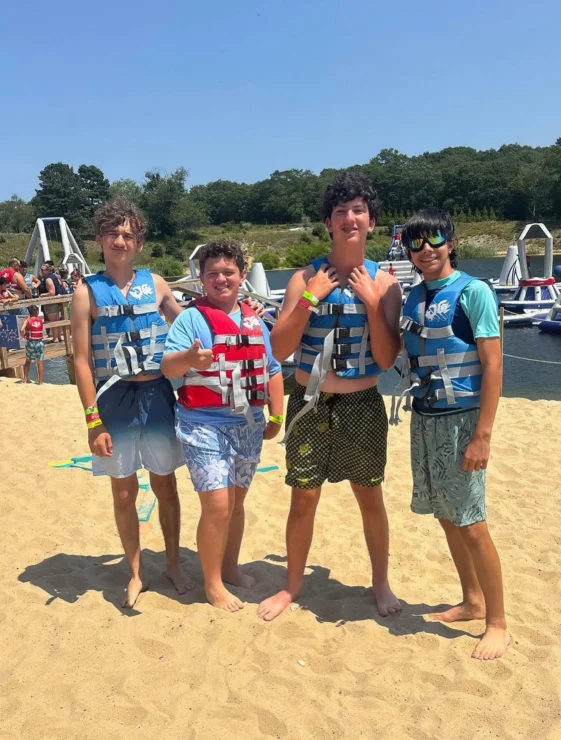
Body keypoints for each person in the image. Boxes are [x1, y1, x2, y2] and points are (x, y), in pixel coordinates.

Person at [257, 172, 403, 622]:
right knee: (303, 496)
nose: (349, 219)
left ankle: (380, 582)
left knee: (369, 494)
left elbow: (384, 355)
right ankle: (292, 585)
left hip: (362, 403)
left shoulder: (386, 283)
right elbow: (279, 349)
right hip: (309, 401)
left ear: (372, 222)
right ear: (328, 222)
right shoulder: (306, 277)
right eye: (340, 212)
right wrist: (310, 299)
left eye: (358, 210)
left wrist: (373, 303)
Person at [396, 207, 510, 660]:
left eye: (435, 239)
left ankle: (497, 621)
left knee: (473, 521)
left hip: (463, 419)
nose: (426, 251)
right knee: (446, 514)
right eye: (416, 243)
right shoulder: (412, 297)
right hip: (425, 417)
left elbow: (494, 365)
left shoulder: (474, 292)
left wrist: (483, 434)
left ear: (452, 241)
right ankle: (472, 600)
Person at [72, 196, 191, 609]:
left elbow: (189, 325)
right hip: (114, 399)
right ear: (100, 239)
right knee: (124, 492)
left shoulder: (156, 284)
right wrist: (93, 422)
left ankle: (173, 564)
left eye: (128, 233)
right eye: (113, 233)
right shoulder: (86, 292)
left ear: (139, 242)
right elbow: (83, 362)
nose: (120, 240)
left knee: (165, 484)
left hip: (158, 395)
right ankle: (137, 571)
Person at [162, 239, 285, 612]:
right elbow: (168, 367)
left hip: (248, 422)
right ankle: (212, 583)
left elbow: (274, 370)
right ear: (200, 279)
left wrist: (276, 416)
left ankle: (229, 567)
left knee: (235, 502)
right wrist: (189, 358)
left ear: (242, 276)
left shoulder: (255, 319)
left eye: (228, 272)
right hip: (202, 423)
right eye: (212, 273)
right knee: (217, 504)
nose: (220, 279)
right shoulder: (190, 319)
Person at [38, 263, 65, 342]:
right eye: (41, 270)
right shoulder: (54, 276)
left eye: (43, 270)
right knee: (56, 320)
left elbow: (51, 292)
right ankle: (58, 337)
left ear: (48, 270)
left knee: (53, 321)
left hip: (51, 302)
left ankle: (55, 338)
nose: (42, 271)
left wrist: (42, 295)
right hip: (56, 301)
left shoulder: (48, 279)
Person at [20, 305, 45, 384]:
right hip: (39, 343)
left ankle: (25, 380)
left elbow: (21, 329)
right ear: (37, 312)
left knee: (28, 362)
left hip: (30, 343)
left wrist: (23, 336)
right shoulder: (40, 320)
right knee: (40, 362)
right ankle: (40, 382)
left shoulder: (27, 320)